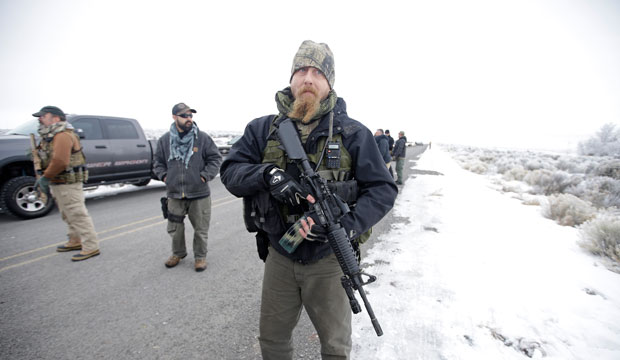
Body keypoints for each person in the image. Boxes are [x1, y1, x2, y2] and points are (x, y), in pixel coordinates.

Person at [220, 40, 397, 359]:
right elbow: (231, 170)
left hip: (329, 259)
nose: (308, 78)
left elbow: (383, 189)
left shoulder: (353, 133)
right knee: (272, 340)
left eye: (318, 72)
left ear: (329, 83)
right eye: (301, 70)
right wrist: (267, 175)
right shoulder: (263, 129)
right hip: (280, 254)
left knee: (335, 346)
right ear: (291, 78)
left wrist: (347, 226)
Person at [153, 103, 222, 272]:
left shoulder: (202, 138)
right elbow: (157, 163)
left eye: (191, 116)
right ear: (174, 117)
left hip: (199, 193)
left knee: (200, 229)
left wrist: (204, 176)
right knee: (175, 228)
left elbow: (215, 159)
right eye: (184, 116)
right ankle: (178, 253)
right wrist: (164, 176)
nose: (189, 119)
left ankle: (200, 257)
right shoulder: (164, 141)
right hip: (175, 194)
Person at [33, 106, 100, 261]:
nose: (40, 119)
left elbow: (60, 161)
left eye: (43, 116)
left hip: (67, 182)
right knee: (67, 213)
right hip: (59, 181)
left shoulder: (62, 135)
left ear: (56, 118)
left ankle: (91, 246)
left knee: (77, 213)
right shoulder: (50, 135)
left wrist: (46, 176)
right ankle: (75, 240)